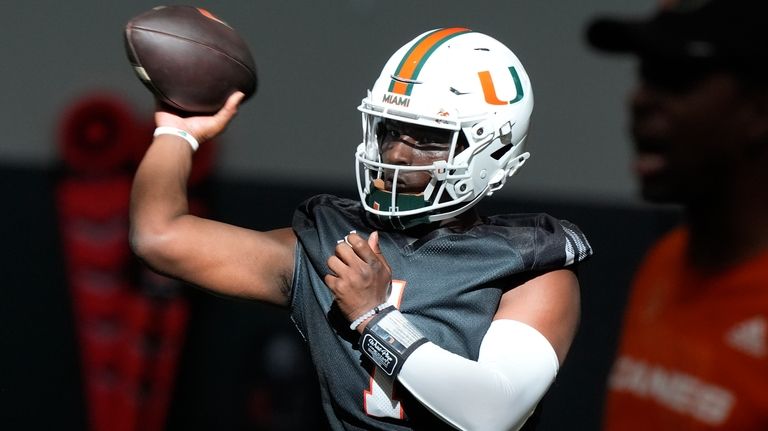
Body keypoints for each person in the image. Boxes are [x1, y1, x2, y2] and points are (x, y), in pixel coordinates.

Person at [130, 27, 592, 431]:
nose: (396, 154)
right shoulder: (331, 241)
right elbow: (161, 237)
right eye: (391, 129)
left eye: (431, 138)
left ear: (494, 151)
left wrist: (376, 318)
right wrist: (178, 133)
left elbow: (492, 415)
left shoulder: (532, 268)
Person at [587, 0, 768, 429]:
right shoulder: (664, 261)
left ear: (759, 112)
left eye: (677, 79)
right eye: (646, 75)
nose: (641, 99)